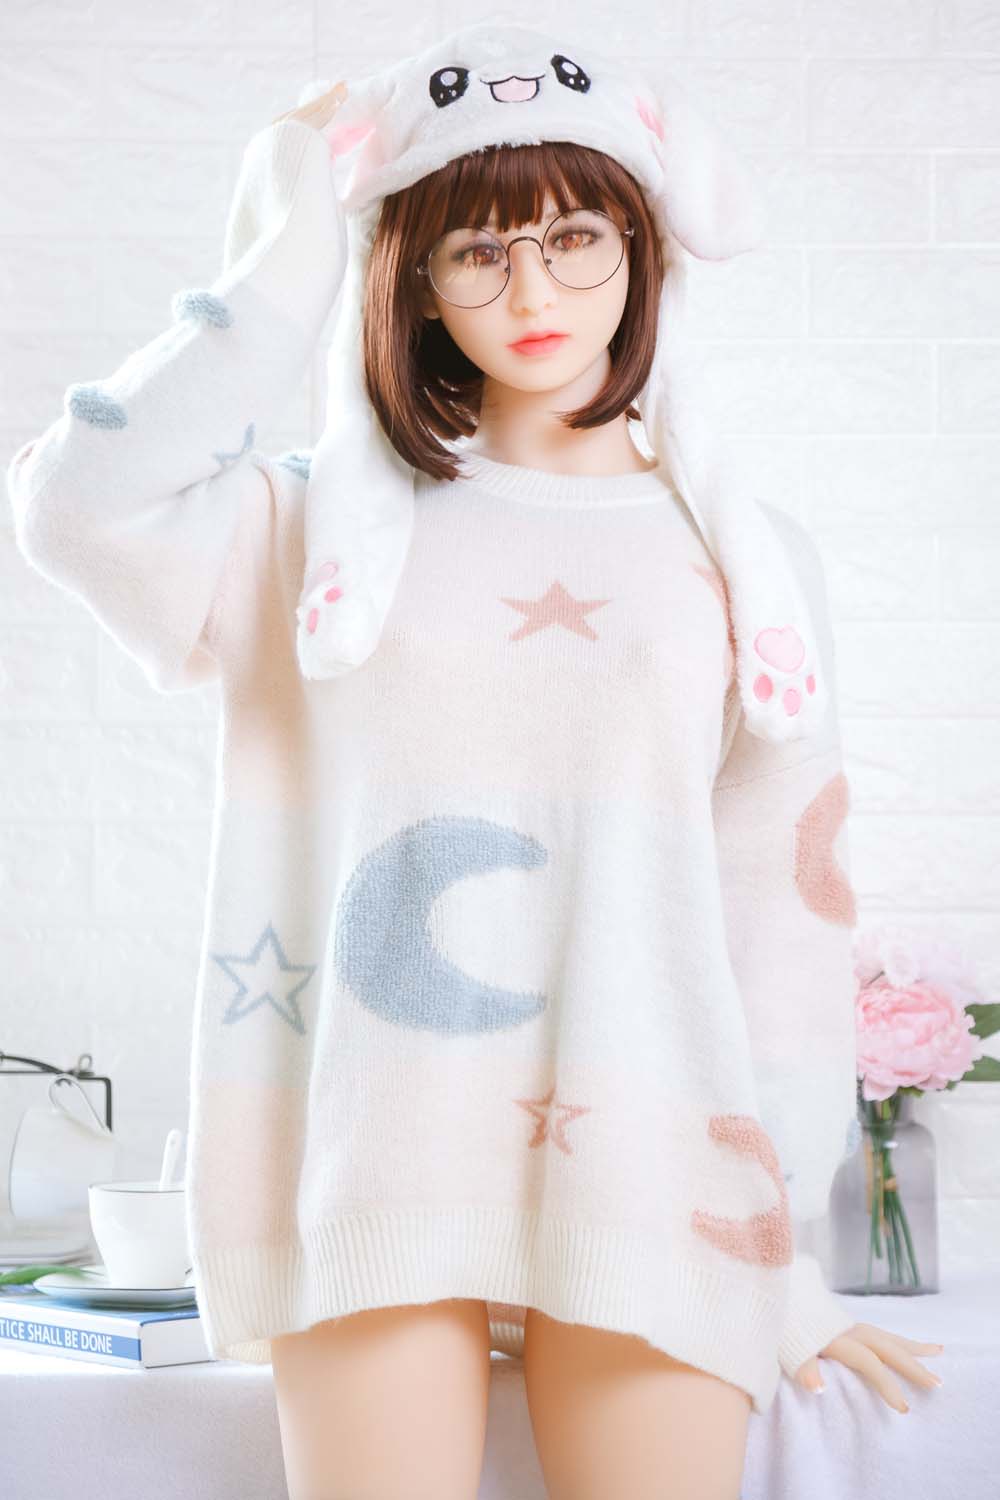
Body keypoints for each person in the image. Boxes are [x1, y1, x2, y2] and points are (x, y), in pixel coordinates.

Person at [7, 23, 944, 1500]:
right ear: (417, 278)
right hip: (372, 1155)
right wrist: (290, 245)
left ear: (641, 249)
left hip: (653, 1171)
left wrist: (781, 1250)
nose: (532, 293)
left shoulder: (748, 565)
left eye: (575, 240)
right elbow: (78, 502)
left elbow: (782, 912)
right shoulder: (303, 533)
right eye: (477, 251)